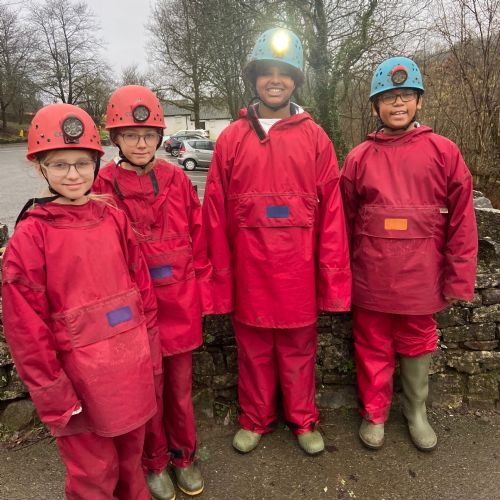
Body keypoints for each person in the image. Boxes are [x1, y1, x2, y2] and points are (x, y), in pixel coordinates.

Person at [203, 28, 351, 456]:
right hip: (249, 274)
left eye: (283, 73)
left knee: (298, 352)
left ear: (295, 80)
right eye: (266, 72)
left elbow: (333, 215)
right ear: (254, 79)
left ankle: (303, 420)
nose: (275, 80)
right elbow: (214, 214)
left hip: (298, 277)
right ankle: (255, 419)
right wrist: (219, 280)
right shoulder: (231, 139)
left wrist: (332, 280)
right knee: (252, 353)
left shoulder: (316, 138)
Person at [1, 103, 161, 499]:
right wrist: (53, 391)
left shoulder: (113, 218)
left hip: (128, 370)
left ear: (96, 164)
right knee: (95, 473)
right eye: (60, 164)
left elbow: (142, 291)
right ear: (40, 168)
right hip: (79, 383)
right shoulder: (31, 237)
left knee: (131, 462)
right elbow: (26, 330)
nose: (73, 174)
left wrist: (150, 351)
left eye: (82, 163)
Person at [340, 56, 478, 451]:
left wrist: (458, 279)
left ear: (419, 101)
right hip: (371, 279)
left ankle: (416, 411)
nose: (397, 103)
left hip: (422, 279)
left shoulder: (444, 152)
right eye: (388, 97)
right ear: (375, 107)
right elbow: (343, 223)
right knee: (371, 345)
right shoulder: (358, 158)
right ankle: (374, 413)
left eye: (405, 95)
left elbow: (463, 222)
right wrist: (340, 278)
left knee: (418, 342)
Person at [93, 85, 213, 499]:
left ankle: (184, 456)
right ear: (116, 138)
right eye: (131, 135)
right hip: (134, 309)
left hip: (179, 302)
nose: (141, 143)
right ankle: (154, 461)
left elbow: (199, 237)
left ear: (160, 136)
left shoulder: (177, 178)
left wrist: (203, 293)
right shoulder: (102, 185)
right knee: (147, 392)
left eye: (148, 135)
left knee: (179, 390)